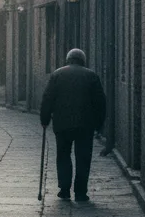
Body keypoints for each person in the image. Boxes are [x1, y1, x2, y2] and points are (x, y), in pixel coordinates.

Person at [39, 48, 106, 203]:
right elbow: (100, 102)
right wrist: (99, 124)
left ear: (68, 60)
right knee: (83, 158)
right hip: (85, 126)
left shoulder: (57, 74)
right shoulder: (91, 76)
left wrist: (45, 119)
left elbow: (47, 99)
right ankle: (81, 192)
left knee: (63, 155)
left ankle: (64, 189)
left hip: (62, 125)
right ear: (83, 60)